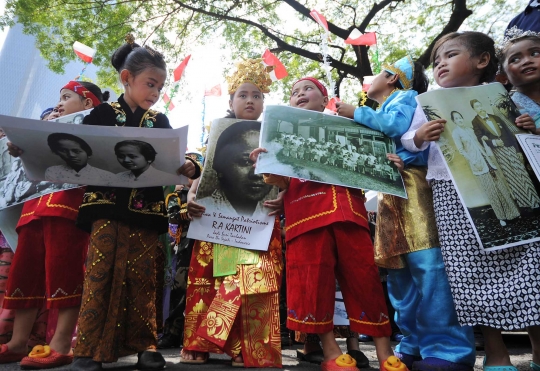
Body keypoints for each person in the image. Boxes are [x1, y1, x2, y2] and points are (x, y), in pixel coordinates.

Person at [401, 31, 540, 371]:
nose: (441, 64)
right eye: (436, 61)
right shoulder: (429, 102)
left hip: (502, 180)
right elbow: (408, 140)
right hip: (450, 194)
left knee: (531, 267)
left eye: (449, 55)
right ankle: (495, 353)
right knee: (469, 271)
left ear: (481, 61)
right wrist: (420, 136)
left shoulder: (503, 98)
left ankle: (538, 349)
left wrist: (525, 127)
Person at [336, 56, 475, 371]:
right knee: (398, 274)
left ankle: (447, 348)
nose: (369, 80)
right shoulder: (382, 108)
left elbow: (397, 128)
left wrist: (355, 112)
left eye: (378, 74)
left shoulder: (405, 98)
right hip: (388, 192)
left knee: (429, 267)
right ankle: (411, 342)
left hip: (414, 186)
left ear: (393, 78)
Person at [70, 35, 200, 371]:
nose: (155, 93)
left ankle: (146, 346)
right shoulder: (101, 113)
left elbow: (177, 157)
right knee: (101, 272)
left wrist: (190, 165)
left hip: (148, 210)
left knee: (144, 277)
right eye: (150, 84)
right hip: (105, 206)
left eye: (159, 87)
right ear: (127, 79)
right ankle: (87, 350)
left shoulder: (160, 122)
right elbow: (75, 151)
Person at [252, 77, 396, 371]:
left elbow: (370, 164)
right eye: (294, 92)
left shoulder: (351, 127)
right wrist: (266, 163)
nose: (299, 94)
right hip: (305, 215)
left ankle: (386, 353)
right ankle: (332, 353)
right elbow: (281, 181)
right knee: (311, 282)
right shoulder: (280, 135)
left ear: (324, 98)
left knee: (364, 279)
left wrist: (389, 161)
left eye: (307, 89)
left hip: (349, 212)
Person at [180, 58, 283, 368]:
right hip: (218, 220)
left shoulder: (276, 136)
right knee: (211, 276)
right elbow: (199, 177)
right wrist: (190, 195)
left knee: (257, 281)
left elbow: (289, 177)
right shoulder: (215, 135)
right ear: (231, 100)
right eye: (243, 95)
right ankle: (198, 343)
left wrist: (286, 196)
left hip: (261, 220)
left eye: (256, 95)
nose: (250, 100)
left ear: (264, 102)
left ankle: (247, 348)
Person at [0, 81, 107, 369]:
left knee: (64, 268)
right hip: (32, 207)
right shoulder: (45, 128)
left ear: (87, 104)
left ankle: (62, 343)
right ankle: (17, 342)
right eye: (58, 97)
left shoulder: (94, 127)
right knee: (25, 270)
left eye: (66, 97)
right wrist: (19, 147)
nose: (58, 104)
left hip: (67, 205)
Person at [450, 110, 520, 226]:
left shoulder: (469, 129)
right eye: (456, 119)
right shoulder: (456, 133)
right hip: (478, 164)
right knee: (491, 192)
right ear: (454, 121)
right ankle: (502, 217)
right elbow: (461, 150)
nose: (459, 120)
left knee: (501, 187)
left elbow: (481, 144)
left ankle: (513, 213)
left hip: (487, 160)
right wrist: (473, 161)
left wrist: (488, 155)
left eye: (460, 117)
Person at [470, 98, 540, 209]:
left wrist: (517, 150)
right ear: (474, 109)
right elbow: (479, 137)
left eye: (480, 105)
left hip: (510, 146)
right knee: (510, 175)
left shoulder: (495, 117)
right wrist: (493, 142)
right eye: (476, 107)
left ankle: (535, 200)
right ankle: (524, 203)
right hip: (498, 151)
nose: (480, 108)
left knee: (521, 172)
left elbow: (508, 133)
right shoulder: (475, 122)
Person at [197, 120, 275, 217]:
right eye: (245, 162)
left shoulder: (270, 215)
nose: (257, 174)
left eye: (265, 162)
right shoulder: (200, 210)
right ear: (220, 166)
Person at [500, 27, 540, 133]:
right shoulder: (509, 108)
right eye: (515, 59)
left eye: (535, 54)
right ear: (504, 77)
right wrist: (532, 132)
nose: (526, 61)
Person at [44, 133, 114, 184]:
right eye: (64, 151)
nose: (71, 155)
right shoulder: (53, 171)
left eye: (76, 151)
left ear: (88, 154)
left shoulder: (107, 176)